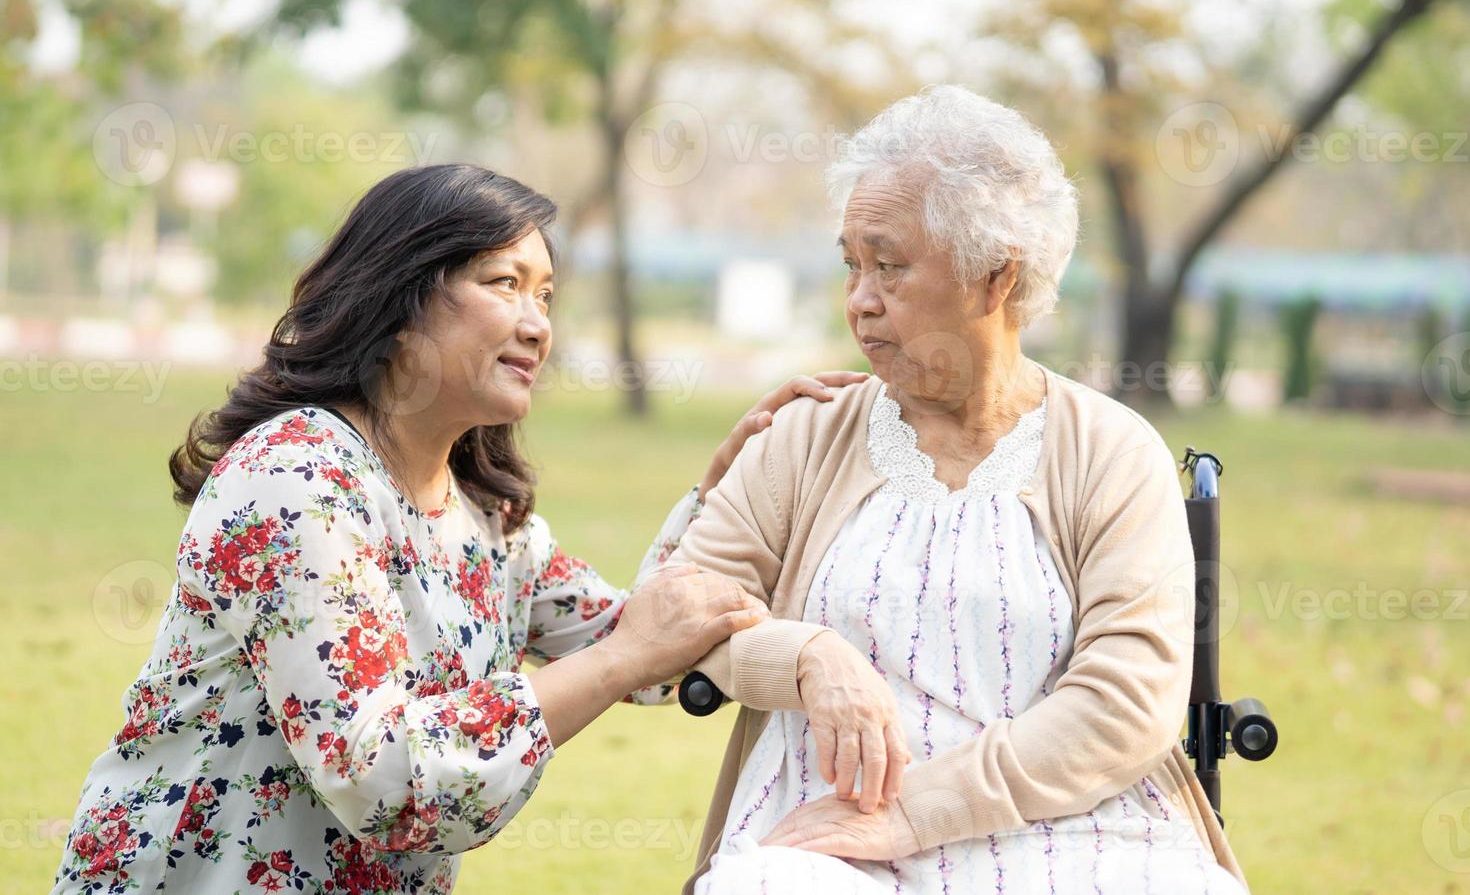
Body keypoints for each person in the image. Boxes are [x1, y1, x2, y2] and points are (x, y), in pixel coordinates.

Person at [52, 163, 867, 893]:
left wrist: (725, 488)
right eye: (503, 283)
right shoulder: (298, 476)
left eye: (545, 295)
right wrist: (626, 656)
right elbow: (381, 778)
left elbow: (646, 650)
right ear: (399, 300)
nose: (538, 322)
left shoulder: (482, 518)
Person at [671, 86, 1250, 893]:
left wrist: (915, 812)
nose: (859, 300)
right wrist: (806, 654)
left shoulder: (1111, 451)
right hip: (827, 827)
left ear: (995, 279)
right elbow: (679, 612)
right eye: (851, 264)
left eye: (890, 266)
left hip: (1076, 828)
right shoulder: (807, 434)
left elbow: (1125, 702)